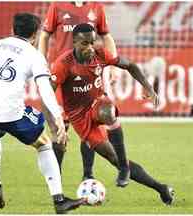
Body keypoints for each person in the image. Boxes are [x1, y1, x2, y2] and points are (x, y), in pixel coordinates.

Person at [0, 13, 84, 214]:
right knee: (44, 144)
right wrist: (58, 117)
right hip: (10, 113)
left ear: (12, 30)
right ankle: (59, 200)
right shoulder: (34, 56)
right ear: (35, 35)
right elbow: (45, 89)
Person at [50, 23, 175, 205]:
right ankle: (161, 188)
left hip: (97, 104)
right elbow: (47, 92)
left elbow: (129, 65)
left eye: (93, 42)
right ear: (75, 42)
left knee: (107, 110)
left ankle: (124, 168)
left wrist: (148, 88)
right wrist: (55, 121)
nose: (90, 47)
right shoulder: (63, 64)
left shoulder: (100, 54)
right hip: (78, 117)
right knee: (112, 157)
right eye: (85, 43)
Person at [39, 2, 130, 186]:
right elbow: (44, 35)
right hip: (63, 75)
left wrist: (112, 63)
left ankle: (88, 174)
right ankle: (56, 176)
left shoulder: (97, 7)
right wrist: (41, 62)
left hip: (89, 73)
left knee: (91, 124)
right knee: (60, 127)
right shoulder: (57, 6)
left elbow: (106, 36)